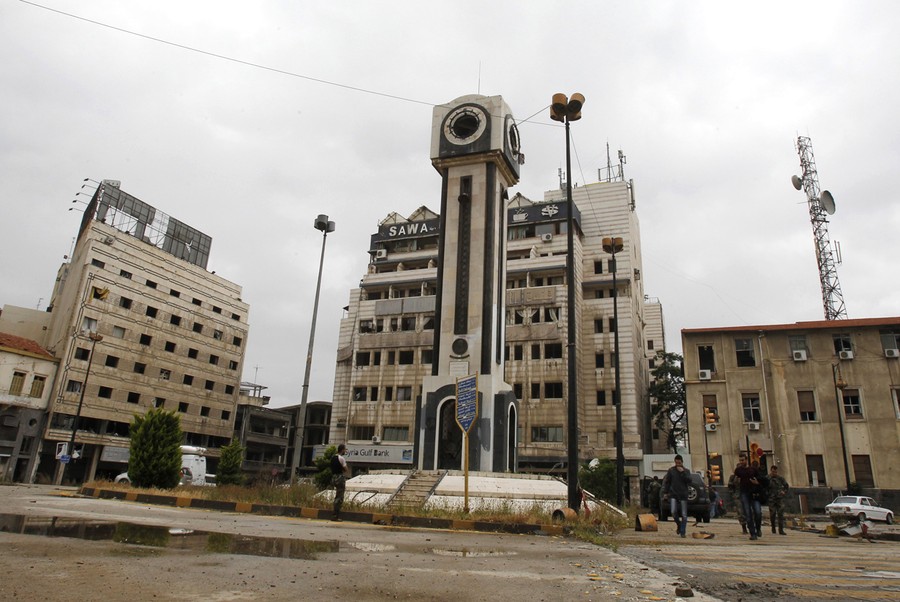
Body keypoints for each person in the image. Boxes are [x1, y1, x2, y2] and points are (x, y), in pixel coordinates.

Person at [662, 454, 692, 538]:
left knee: (684, 515)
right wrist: (665, 493)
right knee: (673, 511)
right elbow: (667, 482)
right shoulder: (671, 471)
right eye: (676, 462)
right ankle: (679, 524)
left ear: (682, 462)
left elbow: (689, 480)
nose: (678, 464)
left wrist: (682, 472)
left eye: (679, 462)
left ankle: (683, 532)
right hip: (673, 494)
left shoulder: (686, 471)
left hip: (683, 494)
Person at [734, 454, 763, 540]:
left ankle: (758, 528)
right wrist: (737, 481)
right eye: (740, 460)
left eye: (743, 460)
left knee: (758, 512)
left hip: (754, 493)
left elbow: (761, 480)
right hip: (744, 493)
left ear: (746, 460)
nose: (741, 462)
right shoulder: (738, 470)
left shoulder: (753, 469)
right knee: (748, 513)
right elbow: (735, 481)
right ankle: (752, 533)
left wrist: (757, 483)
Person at [768, 465, 790, 535]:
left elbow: (786, 486)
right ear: (771, 471)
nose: (774, 473)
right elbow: (764, 486)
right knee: (773, 513)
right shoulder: (767, 478)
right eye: (773, 471)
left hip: (779, 498)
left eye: (775, 472)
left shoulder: (780, 478)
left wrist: (784, 491)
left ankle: (781, 529)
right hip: (771, 498)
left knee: (780, 513)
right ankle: (773, 527)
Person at [330, 444, 350, 521]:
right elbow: (346, 469)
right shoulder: (341, 458)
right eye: (345, 450)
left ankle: (335, 515)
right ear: (342, 450)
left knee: (337, 496)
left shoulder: (332, 457)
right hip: (339, 478)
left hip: (333, 478)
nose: (345, 451)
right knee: (339, 497)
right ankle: (335, 516)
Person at [727, 464, 747, 533]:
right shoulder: (733, 477)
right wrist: (733, 495)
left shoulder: (747, 475)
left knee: (748, 511)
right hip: (738, 496)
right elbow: (730, 486)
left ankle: (751, 526)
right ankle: (744, 527)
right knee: (740, 512)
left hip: (747, 495)